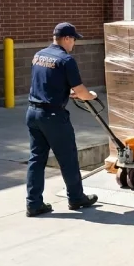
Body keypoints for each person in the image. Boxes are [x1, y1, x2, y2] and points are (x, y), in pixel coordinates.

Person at [25, 22, 99, 217]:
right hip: (53, 116)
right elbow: (82, 91)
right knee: (68, 158)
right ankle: (76, 198)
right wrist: (90, 95)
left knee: (36, 159)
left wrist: (67, 92)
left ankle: (33, 204)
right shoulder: (66, 60)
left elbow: (47, 81)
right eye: (74, 39)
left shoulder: (39, 55)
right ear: (66, 38)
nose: (74, 43)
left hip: (33, 112)